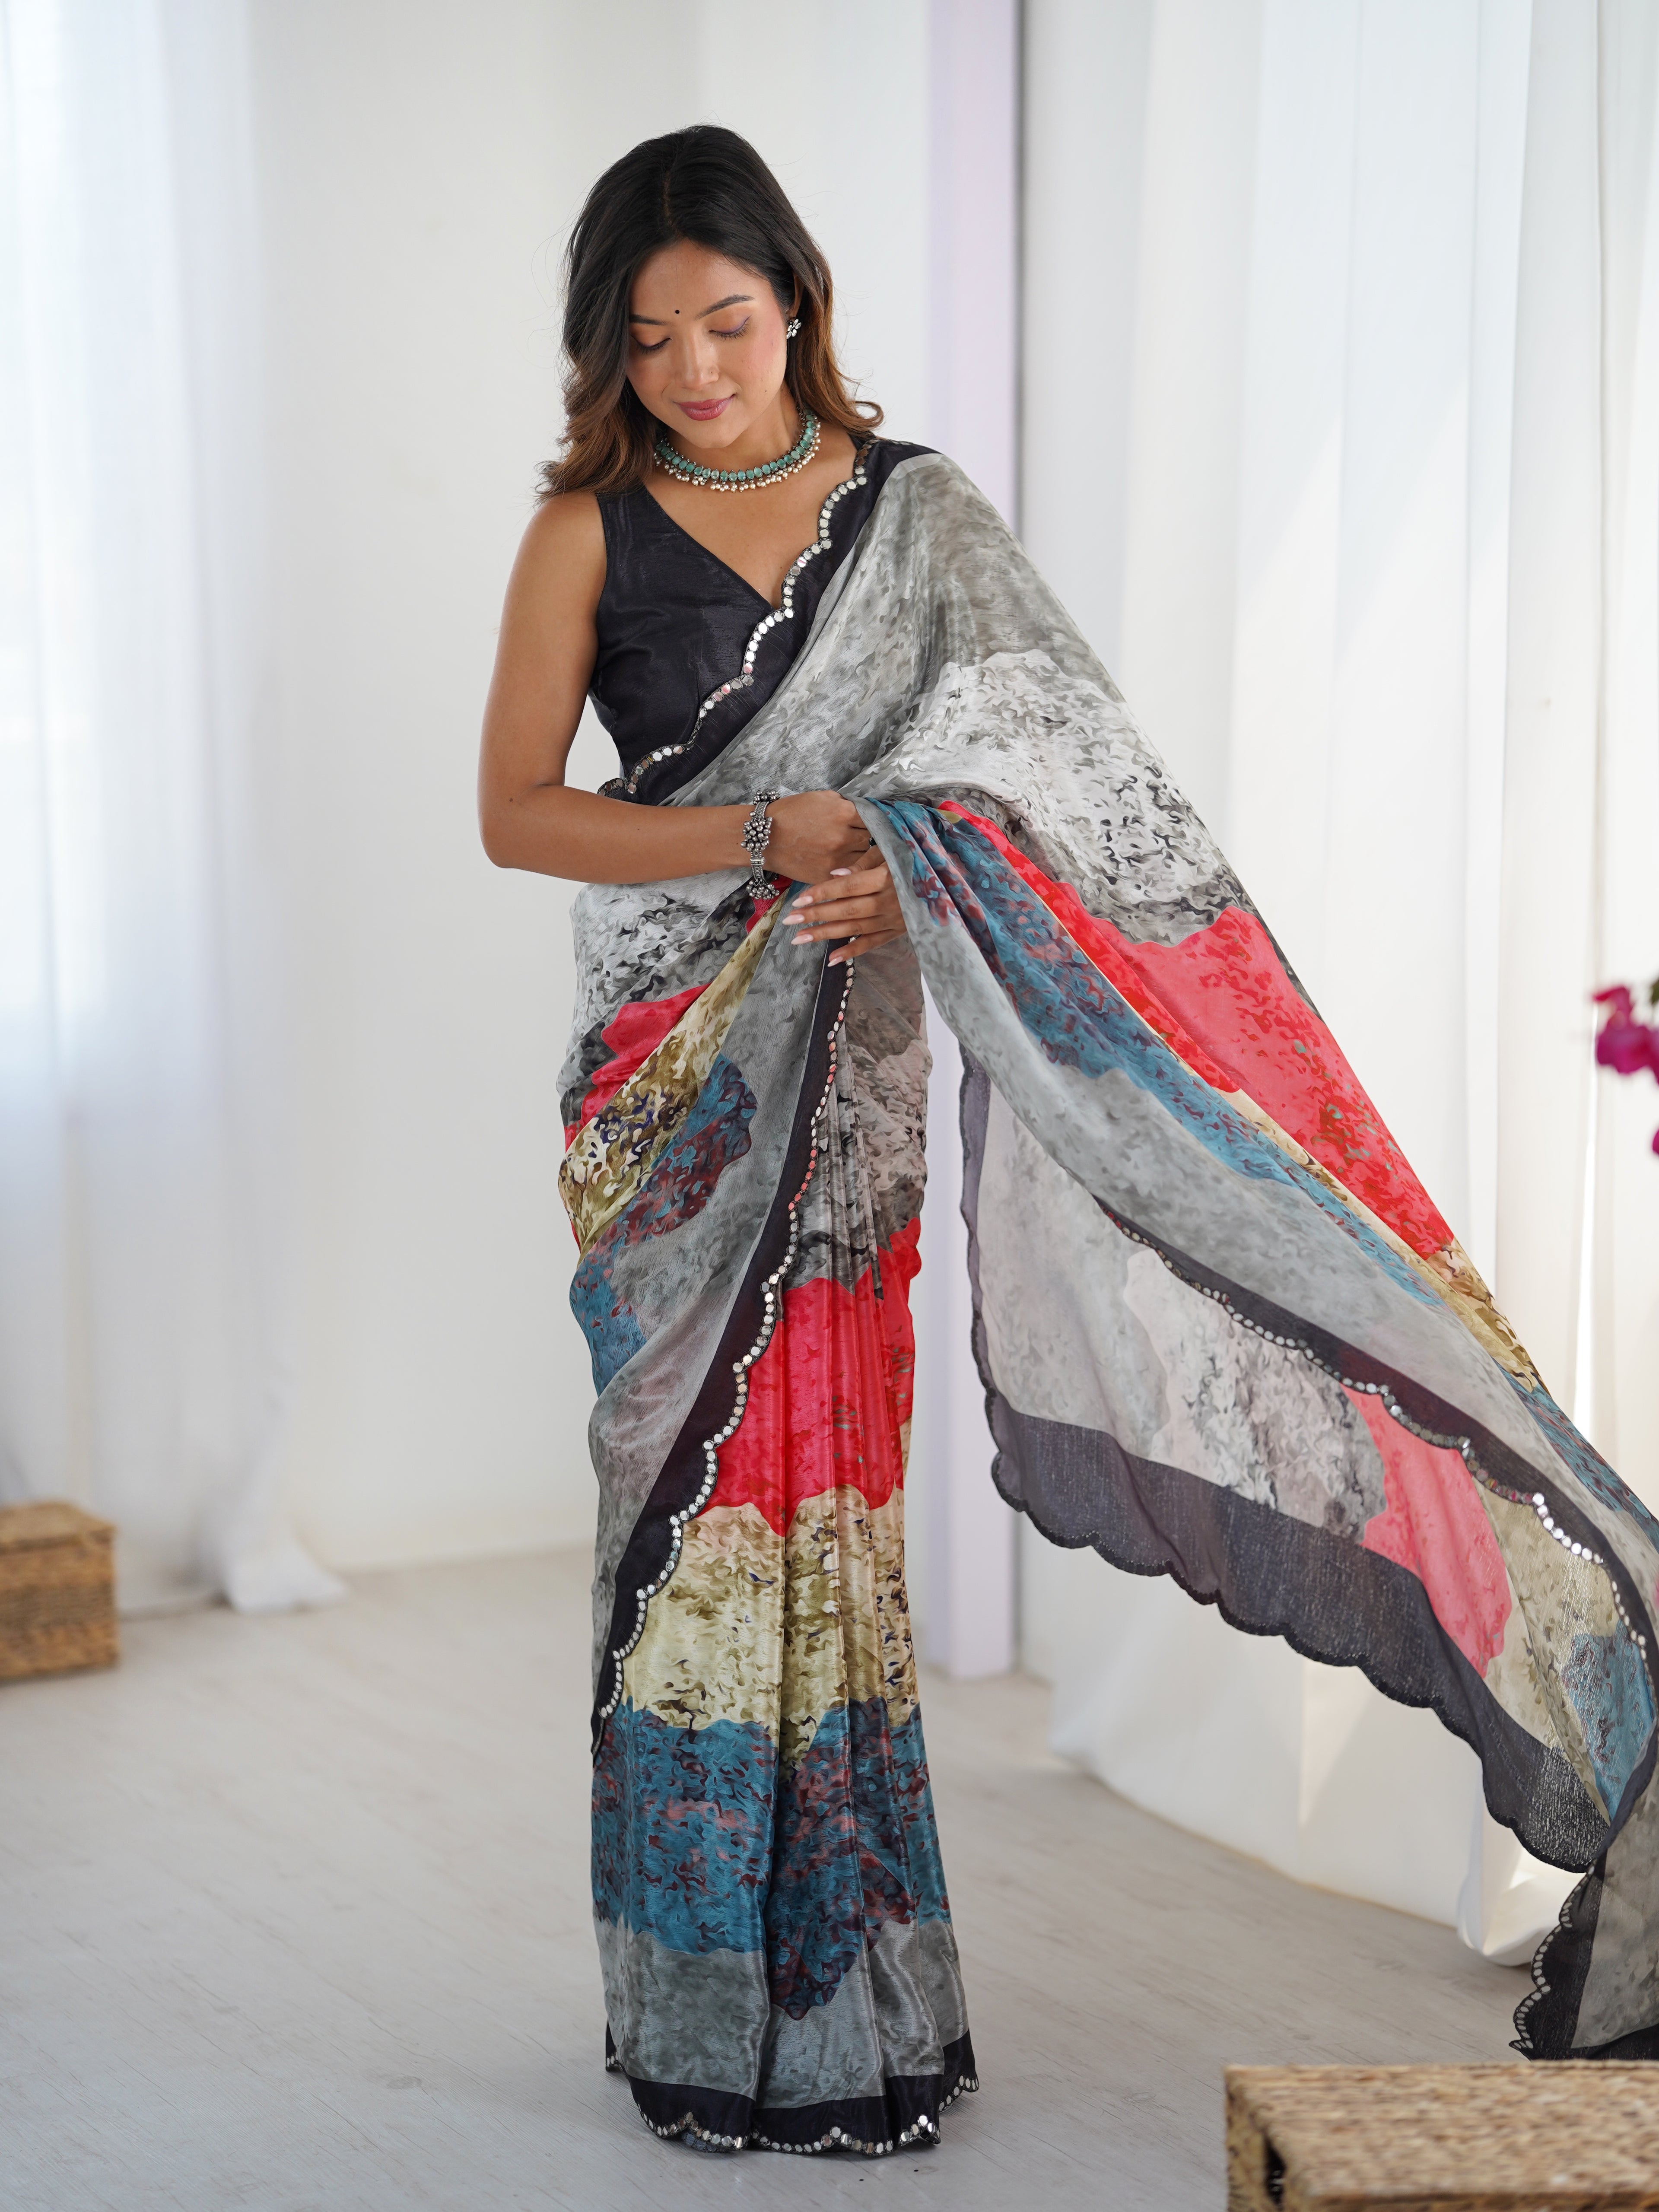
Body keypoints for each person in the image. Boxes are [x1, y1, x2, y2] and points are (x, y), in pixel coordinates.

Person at [480, 125, 1659, 2156]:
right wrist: (774, 831)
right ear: (608, 349)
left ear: (799, 303)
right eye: (651, 339)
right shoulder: (585, 532)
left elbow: (1066, 793)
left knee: (836, 1519)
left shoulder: (921, 517)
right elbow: (518, 812)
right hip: (678, 1089)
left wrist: (909, 857)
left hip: (849, 1071)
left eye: (729, 323)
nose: (696, 371)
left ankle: (856, 2003)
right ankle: (699, 2006)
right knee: (687, 1530)